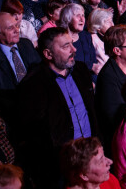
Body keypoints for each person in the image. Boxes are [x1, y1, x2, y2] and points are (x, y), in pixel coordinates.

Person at [16, 27, 99, 188]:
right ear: (48, 54)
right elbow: (34, 133)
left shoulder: (81, 70)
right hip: (61, 165)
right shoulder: (33, 85)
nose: (74, 49)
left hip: (91, 152)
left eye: (72, 44)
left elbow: (92, 111)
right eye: (65, 46)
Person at [60, 3, 98, 79]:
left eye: (83, 15)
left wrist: (92, 82)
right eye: (78, 15)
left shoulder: (86, 36)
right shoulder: (61, 40)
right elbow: (67, 66)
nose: (82, 19)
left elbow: (94, 62)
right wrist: (90, 66)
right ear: (68, 18)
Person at [88, 8, 114, 76]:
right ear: (98, 26)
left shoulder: (111, 37)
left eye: (112, 21)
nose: (112, 25)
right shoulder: (92, 39)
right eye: (108, 22)